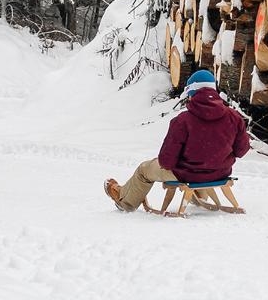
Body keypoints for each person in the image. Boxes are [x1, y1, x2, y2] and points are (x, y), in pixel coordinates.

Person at [104, 70, 250, 212]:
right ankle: (200, 194)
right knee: (205, 161)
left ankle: (125, 200)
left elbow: (167, 162)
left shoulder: (183, 121)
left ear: (191, 93)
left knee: (144, 169)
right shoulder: (234, 117)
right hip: (220, 173)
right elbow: (242, 150)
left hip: (188, 175)